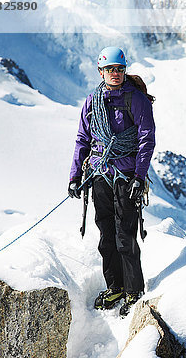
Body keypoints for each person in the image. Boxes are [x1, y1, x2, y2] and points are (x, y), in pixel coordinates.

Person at [68, 46, 156, 317]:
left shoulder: (136, 100)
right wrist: (75, 175)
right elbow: (83, 139)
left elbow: (145, 139)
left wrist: (140, 177)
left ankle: (133, 291)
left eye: (119, 69)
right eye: (110, 69)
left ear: (124, 70)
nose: (115, 73)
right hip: (100, 175)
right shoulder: (92, 101)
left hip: (127, 175)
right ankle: (115, 286)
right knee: (106, 233)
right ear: (101, 71)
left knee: (124, 235)